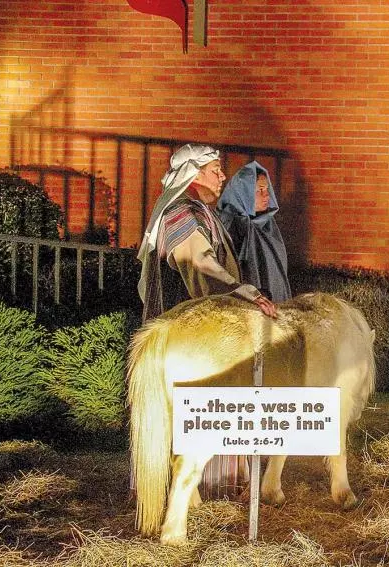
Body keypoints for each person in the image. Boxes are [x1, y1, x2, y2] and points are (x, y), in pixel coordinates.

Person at [135, 143, 277, 500]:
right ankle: (193, 492)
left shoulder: (195, 211)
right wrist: (243, 292)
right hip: (188, 337)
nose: (222, 176)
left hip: (195, 334)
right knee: (193, 407)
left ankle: (201, 492)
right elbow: (200, 263)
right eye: (216, 170)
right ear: (194, 174)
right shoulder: (182, 213)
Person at [216, 161, 291, 303]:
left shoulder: (267, 224)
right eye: (259, 190)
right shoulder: (230, 224)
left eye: (267, 189)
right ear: (244, 192)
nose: (266, 195)